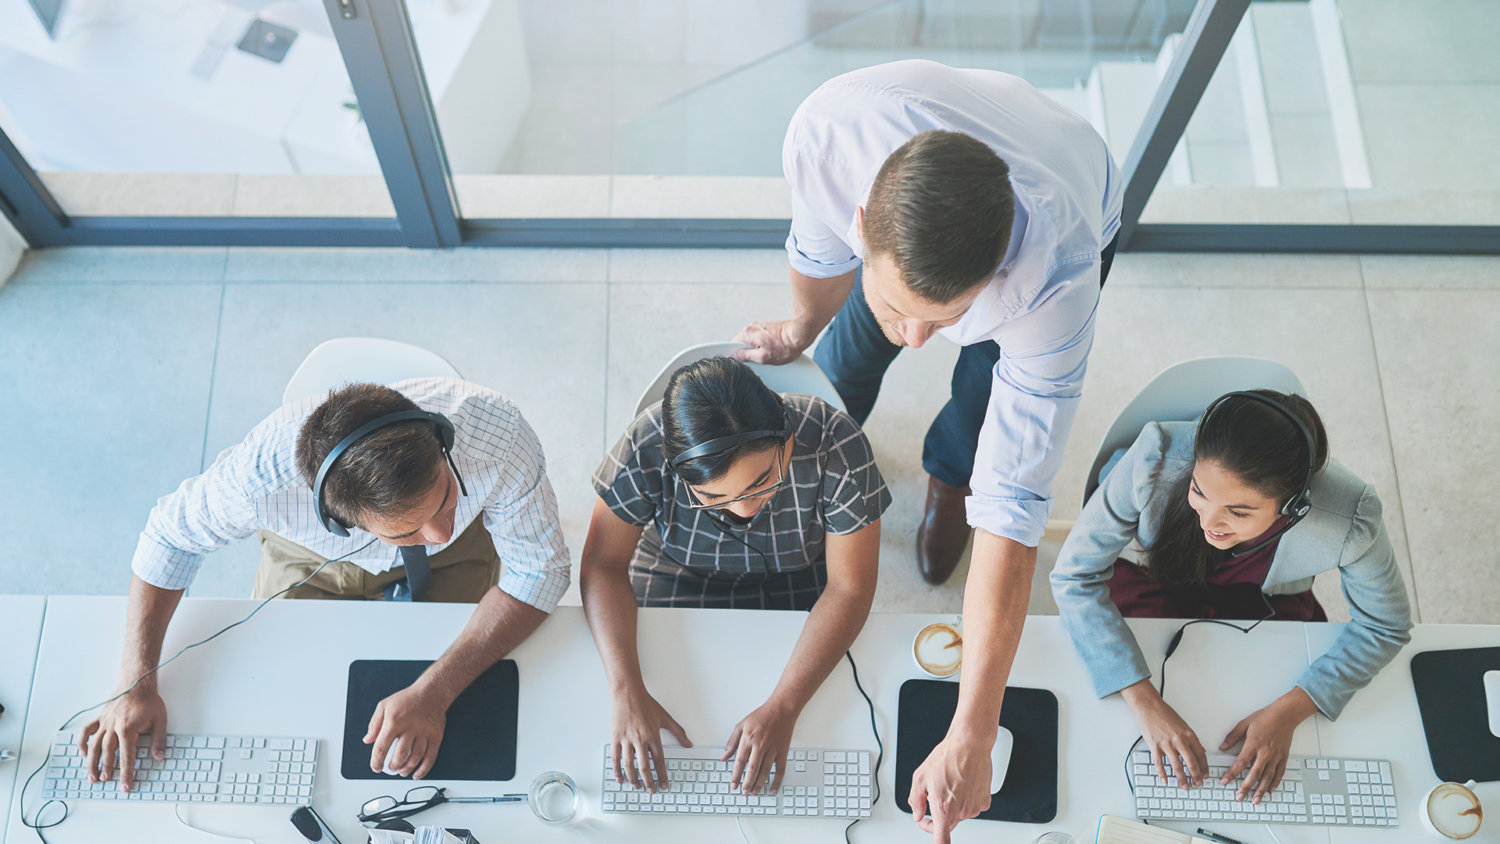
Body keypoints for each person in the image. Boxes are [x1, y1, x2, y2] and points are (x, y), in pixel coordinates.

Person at [731, 59, 1121, 839]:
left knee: (983, 398)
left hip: (1076, 181)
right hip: (922, 165)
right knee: (842, 364)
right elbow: (817, 254)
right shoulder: (828, 137)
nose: (915, 340)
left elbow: (1013, 511)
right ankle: (830, 463)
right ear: (865, 215)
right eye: (900, 307)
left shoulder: (1056, 278)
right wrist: (802, 329)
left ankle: (947, 475)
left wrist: (973, 729)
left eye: (940, 320)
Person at [78, 378, 570, 789]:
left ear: (442, 444)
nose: (437, 532)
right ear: (340, 519)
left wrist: (435, 692)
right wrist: (135, 681)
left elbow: (539, 572)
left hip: (463, 552)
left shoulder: (497, 436)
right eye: (408, 528)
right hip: (310, 559)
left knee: (467, 674)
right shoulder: (257, 481)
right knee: (285, 694)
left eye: (442, 495)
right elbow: (169, 537)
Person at [1051, 390, 1412, 803]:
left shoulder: (1351, 516)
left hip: (1262, 596)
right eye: (1199, 492)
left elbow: (1386, 625)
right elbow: (1074, 576)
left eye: (1238, 512)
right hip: (1151, 576)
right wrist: (1144, 700)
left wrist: (1291, 710)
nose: (1209, 522)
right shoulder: (1156, 456)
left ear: (1293, 504)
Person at [582, 357, 888, 796]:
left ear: (787, 440)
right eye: (712, 497)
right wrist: (625, 689)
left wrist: (784, 707)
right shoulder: (645, 443)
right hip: (677, 570)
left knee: (824, 718)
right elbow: (602, 565)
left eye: (761, 482)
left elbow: (850, 586)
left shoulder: (837, 443)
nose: (744, 509)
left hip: (797, 574)